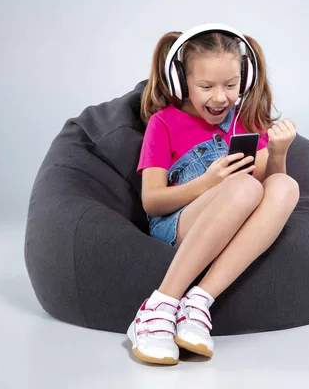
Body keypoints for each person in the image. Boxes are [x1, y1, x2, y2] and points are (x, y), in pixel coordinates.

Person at [127, 23, 300, 365]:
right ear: (182, 82)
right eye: (205, 86)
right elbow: (152, 200)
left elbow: (271, 191)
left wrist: (278, 151)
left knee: (286, 185)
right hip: (177, 221)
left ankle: (198, 303)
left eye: (230, 85)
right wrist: (207, 182)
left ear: (245, 80)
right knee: (244, 185)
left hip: (236, 210)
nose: (219, 97)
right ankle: (158, 306)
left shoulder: (246, 123)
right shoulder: (164, 124)